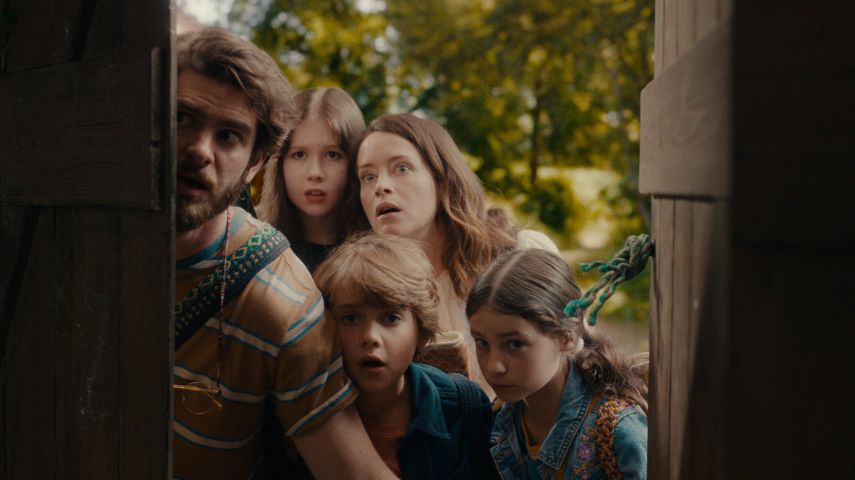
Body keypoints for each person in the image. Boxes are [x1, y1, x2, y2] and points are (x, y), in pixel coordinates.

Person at [173, 27, 394, 479]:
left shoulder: (284, 302)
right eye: (181, 118)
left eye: (229, 136)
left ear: (255, 163)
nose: (198, 149)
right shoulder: (66, 239)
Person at [351, 113, 559, 394]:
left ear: (441, 178)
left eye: (401, 169)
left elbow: (575, 370)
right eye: (368, 176)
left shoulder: (522, 253)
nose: (381, 187)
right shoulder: (367, 291)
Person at [313, 233, 498, 479]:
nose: (370, 337)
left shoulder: (464, 405)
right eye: (351, 318)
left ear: (421, 331)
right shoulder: (309, 411)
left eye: (390, 318)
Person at [466, 248, 648, 479]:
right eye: (482, 342)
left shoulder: (619, 432)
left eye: (514, 344)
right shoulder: (496, 419)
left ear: (566, 337)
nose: (493, 366)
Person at [257, 87, 365, 272]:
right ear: (280, 162)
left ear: (355, 161)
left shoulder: (379, 256)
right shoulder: (248, 242)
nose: (315, 173)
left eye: (332, 155)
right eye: (299, 155)